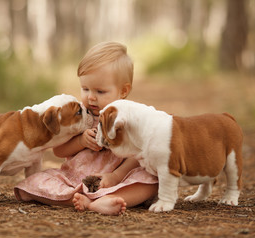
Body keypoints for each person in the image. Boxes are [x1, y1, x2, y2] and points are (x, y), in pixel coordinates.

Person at [14, 41, 158, 215]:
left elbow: (138, 154)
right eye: (85, 89)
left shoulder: (129, 117)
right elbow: (59, 151)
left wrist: (116, 176)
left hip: (118, 180)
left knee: (151, 178)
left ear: (123, 91)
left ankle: (106, 199)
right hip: (75, 179)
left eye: (100, 91)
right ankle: (89, 201)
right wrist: (81, 141)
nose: (91, 98)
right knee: (35, 181)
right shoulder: (79, 117)